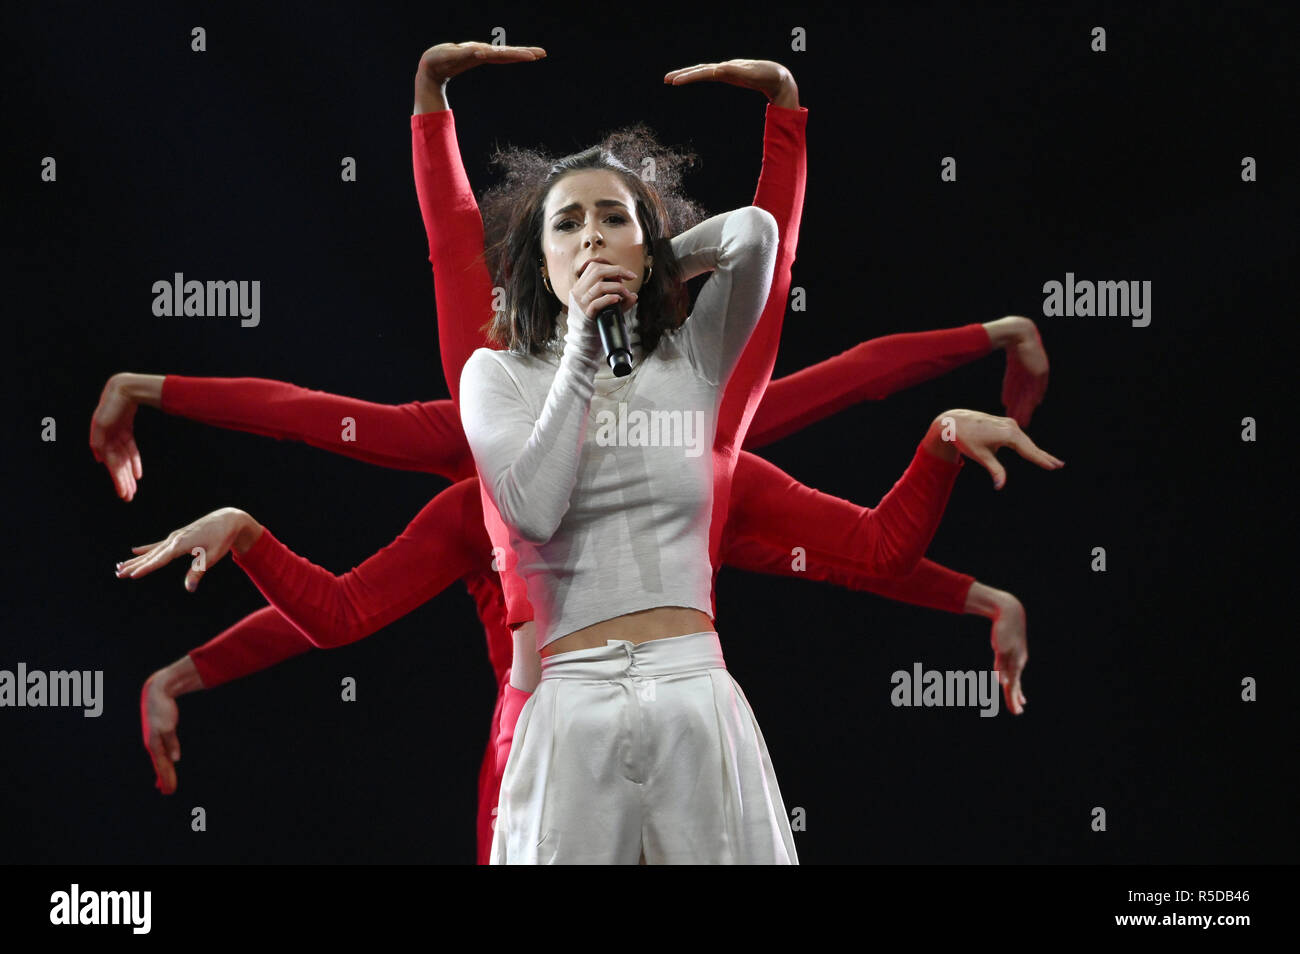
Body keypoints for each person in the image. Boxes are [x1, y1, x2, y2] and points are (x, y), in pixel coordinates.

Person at [107, 43, 1059, 864]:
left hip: (687, 684)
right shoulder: (482, 403)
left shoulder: (706, 410)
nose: (594, 237)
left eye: (615, 221)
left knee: (788, 399)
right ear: (534, 261)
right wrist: (430, 117)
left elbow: (805, 323)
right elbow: (331, 421)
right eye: (569, 224)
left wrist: (756, 157)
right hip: (550, 711)